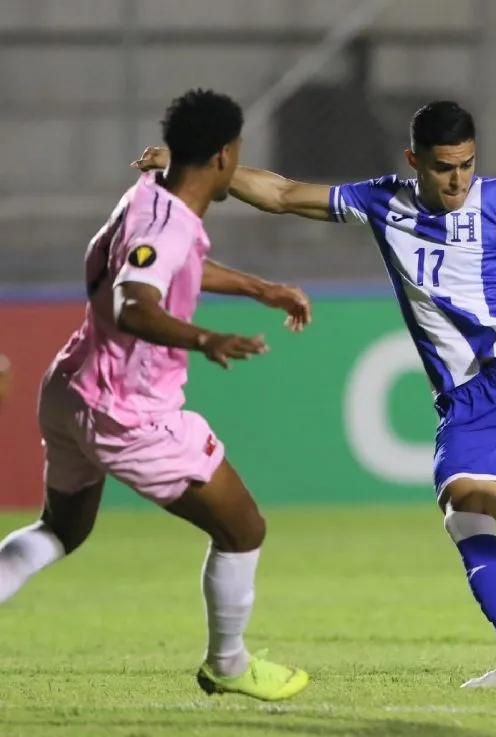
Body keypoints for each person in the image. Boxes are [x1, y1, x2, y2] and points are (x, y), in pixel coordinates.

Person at [134, 99, 496, 688]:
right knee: (468, 516)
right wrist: (192, 165)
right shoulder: (383, 202)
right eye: (443, 167)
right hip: (469, 400)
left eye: (466, 165)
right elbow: (283, 194)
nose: (457, 180)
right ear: (415, 161)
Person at [0, 89, 314, 701]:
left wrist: (259, 288)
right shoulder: (168, 226)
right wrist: (205, 338)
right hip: (128, 412)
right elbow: (134, 302)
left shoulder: (147, 197)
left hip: (71, 387)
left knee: (61, 530)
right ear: (224, 156)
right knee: (243, 528)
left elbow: (170, 266)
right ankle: (227, 663)